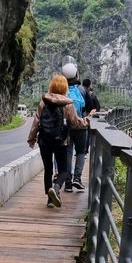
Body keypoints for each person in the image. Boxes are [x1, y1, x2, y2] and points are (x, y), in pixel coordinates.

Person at [27, 74, 89, 208]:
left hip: (44, 140)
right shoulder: (68, 103)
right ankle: (56, 188)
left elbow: (36, 122)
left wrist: (31, 138)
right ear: (65, 87)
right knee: (64, 171)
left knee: (48, 169)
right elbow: (75, 123)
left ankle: (50, 200)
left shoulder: (44, 101)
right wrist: (86, 121)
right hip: (61, 141)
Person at [61, 59, 94, 192]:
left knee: (68, 153)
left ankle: (68, 183)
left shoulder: (62, 89)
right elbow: (90, 107)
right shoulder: (82, 90)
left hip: (66, 126)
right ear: (76, 74)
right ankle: (77, 178)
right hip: (80, 126)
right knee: (81, 152)